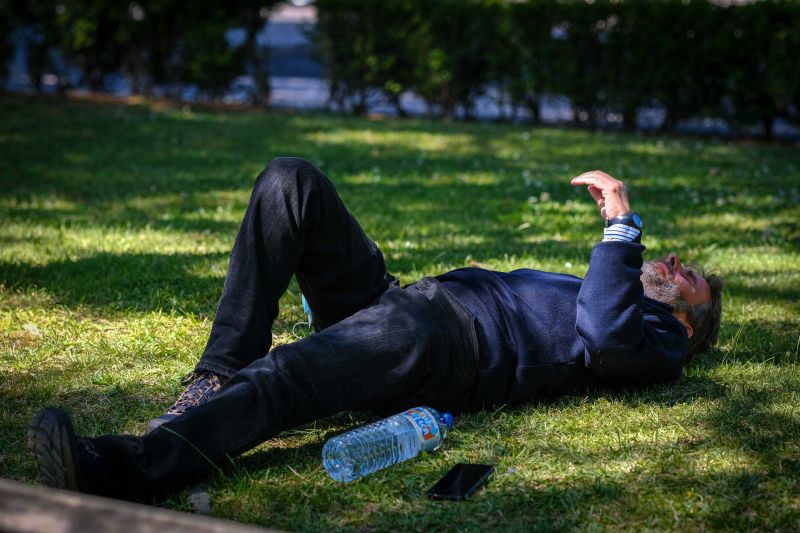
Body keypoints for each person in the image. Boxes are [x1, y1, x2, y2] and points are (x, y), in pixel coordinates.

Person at [27, 158, 723, 502]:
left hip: (446, 344)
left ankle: (120, 468)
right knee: (292, 182)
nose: (671, 264)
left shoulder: (657, 342)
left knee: (288, 375)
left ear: (691, 326)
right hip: (408, 305)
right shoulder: (618, 294)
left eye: (686, 275)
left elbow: (605, 336)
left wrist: (621, 223)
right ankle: (216, 372)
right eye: (674, 261)